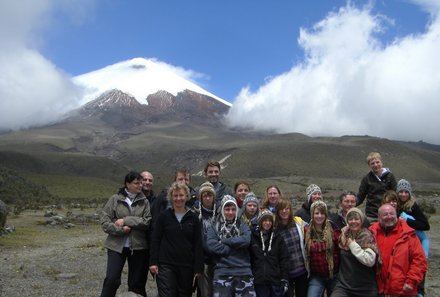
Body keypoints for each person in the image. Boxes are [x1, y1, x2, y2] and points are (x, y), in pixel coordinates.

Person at [100, 171, 152, 297]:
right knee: (112, 280)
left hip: (138, 247)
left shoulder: (144, 201)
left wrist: (125, 220)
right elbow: (104, 221)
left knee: (136, 283)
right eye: (136, 183)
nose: (140, 185)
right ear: (127, 184)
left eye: (141, 183)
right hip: (116, 246)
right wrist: (120, 230)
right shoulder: (115, 199)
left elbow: (147, 221)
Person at [149, 182, 203, 297]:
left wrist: (198, 268)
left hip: (187, 266)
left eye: (181, 195)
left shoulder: (193, 218)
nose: (178, 198)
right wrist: (153, 262)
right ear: (171, 197)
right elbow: (155, 240)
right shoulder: (163, 216)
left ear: (187, 197)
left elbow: (198, 244)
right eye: (175, 196)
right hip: (166, 265)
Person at [370, 204, 428, 297]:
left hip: (402, 290)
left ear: (396, 215)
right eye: (385, 214)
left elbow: (420, 260)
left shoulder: (408, 234)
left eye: (392, 214)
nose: (389, 217)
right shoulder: (371, 232)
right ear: (379, 217)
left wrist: (411, 281)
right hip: (377, 289)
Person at [206, 195, 256, 297]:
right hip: (222, 272)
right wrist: (233, 248)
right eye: (227, 209)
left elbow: (246, 240)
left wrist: (224, 241)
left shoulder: (242, 225)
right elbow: (211, 245)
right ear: (222, 209)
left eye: (233, 209)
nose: (230, 212)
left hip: (243, 271)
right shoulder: (214, 226)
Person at [331, 207, 380, 297]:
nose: (353, 221)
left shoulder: (367, 236)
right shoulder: (343, 236)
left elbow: (370, 260)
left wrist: (352, 244)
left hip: (365, 287)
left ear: (361, 221)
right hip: (344, 286)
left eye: (356, 219)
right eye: (350, 219)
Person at [396, 179, 430, 297]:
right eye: (401, 191)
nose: (403, 194)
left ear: (409, 193)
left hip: (420, 242)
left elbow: (425, 225)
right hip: (407, 243)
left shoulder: (412, 206)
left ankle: (420, 293)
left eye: (406, 192)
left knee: (419, 269)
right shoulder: (397, 205)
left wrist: (408, 220)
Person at [305, 200, 340, 297]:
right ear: (312, 214)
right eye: (316, 213)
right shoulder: (306, 231)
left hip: (334, 275)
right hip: (317, 276)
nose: (319, 216)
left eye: (322, 213)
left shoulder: (333, 229)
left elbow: (341, 247)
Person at [250, 209, 289, 297]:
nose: (267, 223)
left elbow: (284, 259)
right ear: (260, 222)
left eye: (269, 221)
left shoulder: (278, 237)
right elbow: (249, 258)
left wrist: (284, 278)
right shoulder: (253, 236)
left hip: (275, 280)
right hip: (259, 281)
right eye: (265, 220)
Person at [275, 198, 308, 297]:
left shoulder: (298, 223)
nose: (284, 211)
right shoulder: (275, 229)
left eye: (287, 209)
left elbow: (313, 227)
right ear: (277, 211)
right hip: (286, 274)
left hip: (302, 271)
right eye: (281, 209)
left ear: (290, 210)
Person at [356, 152, 397, 222]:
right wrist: (350, 205)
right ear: (369, 165)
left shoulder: (390, 176)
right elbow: (360, 196)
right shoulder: (366, 178)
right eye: (372, 163)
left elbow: (395, 195)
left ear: (381, 162)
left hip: (388, 214)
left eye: (377, 162)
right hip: (372, 216)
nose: (375, 165)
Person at [195, 181, 217, 297]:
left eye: (210, 195)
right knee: (205, 292)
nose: (208, 198)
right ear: (201, 198)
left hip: (217, 260)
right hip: (202, 260)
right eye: (205, 195)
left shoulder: (220, 214)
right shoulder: (195, 214)